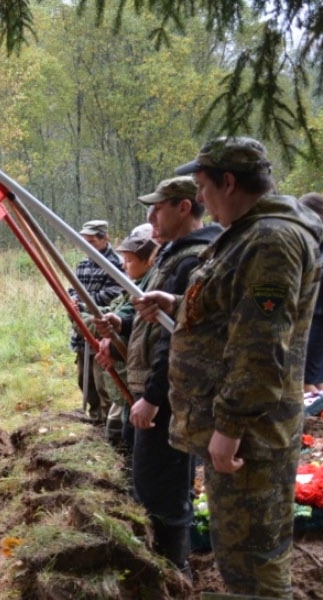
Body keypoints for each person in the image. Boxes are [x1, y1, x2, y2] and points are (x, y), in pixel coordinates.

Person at [134, 136, 322, 598]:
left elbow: (262, 346)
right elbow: (229, 310)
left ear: (229, 181)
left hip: (253, 436)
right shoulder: (247, 235)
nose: (199, 198)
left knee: (254, 561)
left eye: (202, 186)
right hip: (237, 428)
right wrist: (177, 303)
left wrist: (231, 426)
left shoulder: (271, 240)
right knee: (237, 554)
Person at [102, 177, 221, 576]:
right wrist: (122, 322)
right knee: (150, 484)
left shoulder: (193, 259)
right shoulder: (172, 256)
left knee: (162, 492)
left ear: (184, 207)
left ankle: (172, 573)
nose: (151, 215)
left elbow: (178, 340)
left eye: (158, 207)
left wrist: (153, 396)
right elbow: (157, 319)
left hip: (169, 395)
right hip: (152, 389)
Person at [90, 224, 158, 450]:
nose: (122, 265)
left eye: (129, 260)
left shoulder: (152, 286)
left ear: (150, 260)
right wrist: (113, 337)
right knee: (129, 438)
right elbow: (124, 315)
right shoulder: (135, 286)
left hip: (149, 387)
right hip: (132, 380)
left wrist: (116, 343)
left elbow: (146, 332)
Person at [68, 220, 124, 423]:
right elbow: (73, 288)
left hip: (103, 330)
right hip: (82, 330)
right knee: (86, 381)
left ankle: (108, 421)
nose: (88, 246)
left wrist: (84, 304)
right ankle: (94, 418)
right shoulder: (83, 264)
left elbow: (114, 294)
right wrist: (73, 300)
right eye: (85, 242)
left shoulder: (117, 264)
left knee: (104, 382)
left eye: (92, 241)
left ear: (104, 238)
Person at [299, 192, 323, 393]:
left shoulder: (315, 243)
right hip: (315, 313)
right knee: (315, 376)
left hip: (317, 315)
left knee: (308, 378)